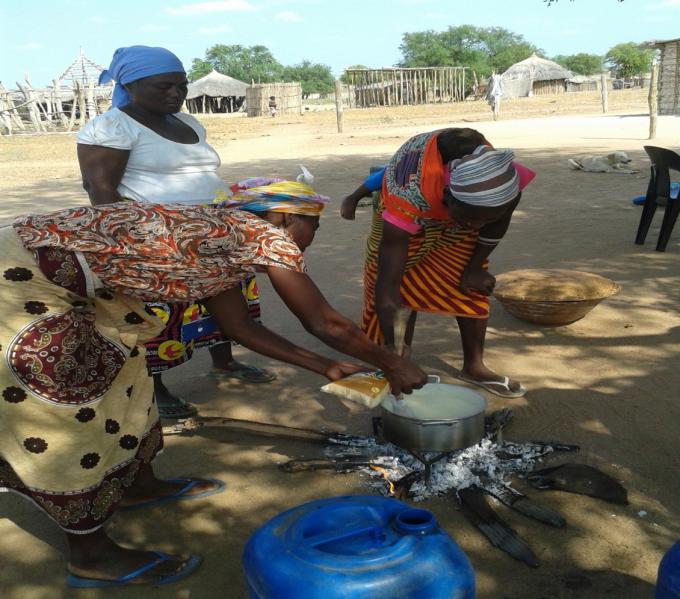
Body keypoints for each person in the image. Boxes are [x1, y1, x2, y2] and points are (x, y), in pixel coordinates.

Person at [0, 184, 427, 587]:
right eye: (311, 225)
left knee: (125, 377)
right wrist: (391, 363)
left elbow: (240, 328)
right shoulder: (259, 234)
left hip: (48, 276)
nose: (310, 239)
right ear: (281, 217)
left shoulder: (224, 248)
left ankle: (137, 485)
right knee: (70, 405)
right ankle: (90, 554)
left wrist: (328, 366)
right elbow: (324, 322)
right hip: (17, 282)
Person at [77, 45, 274, 421]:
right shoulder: (111, 127)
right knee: (162, 315)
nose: (176, 94)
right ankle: (156, 388)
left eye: (181, 86)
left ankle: (225, 363)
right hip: (158, 240)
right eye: (163, 86)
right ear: (130, 85)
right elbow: (100, 190)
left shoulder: (189, 124)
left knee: (229, 304)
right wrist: (132, 246)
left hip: (215, 234)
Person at [341, 128, 535, 398]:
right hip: (411, 209)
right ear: (447, 196)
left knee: (470, 285)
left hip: (460, 201)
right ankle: (396, 362)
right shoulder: (406, 194)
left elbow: (497, 218)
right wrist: (393, 349)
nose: (475, 226)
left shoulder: (502, 183)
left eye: (484, 219)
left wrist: (475, 266)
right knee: (398, 286)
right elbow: (387, 287)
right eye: (470, 219)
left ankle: (474, 367)